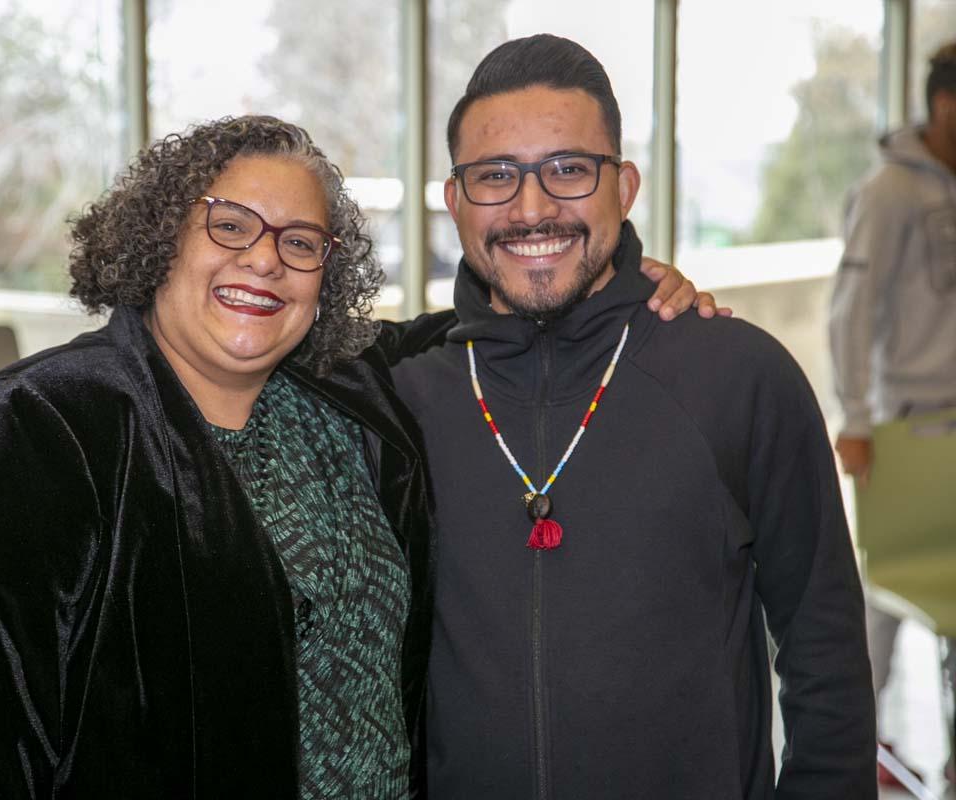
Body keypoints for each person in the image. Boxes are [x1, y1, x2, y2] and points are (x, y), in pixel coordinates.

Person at [0, 114, 709, 798]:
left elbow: (465, 326)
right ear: (160, 239)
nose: (264, 259)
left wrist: (621, 285)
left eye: (301, 242)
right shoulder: (35, 430)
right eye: (230, 224)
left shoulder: (344, 399)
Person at [382, 35, 877, 798]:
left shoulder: (739, 376)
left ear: (625, 187)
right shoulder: (402, 401)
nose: (533, 207)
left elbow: (826, 648)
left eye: (569, 170)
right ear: (454, 201)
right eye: (495, 177)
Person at [830, 40, 956, 788]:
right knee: (885, 590)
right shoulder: (889, 193)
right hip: (903, 424)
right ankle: (857, 747)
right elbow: (851, 313)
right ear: (944, 106)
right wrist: (854, 417)